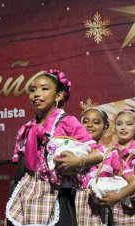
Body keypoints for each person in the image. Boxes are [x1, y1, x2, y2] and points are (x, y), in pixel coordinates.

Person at [6, 69, 103, 226]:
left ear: (58, 95)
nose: (37, 94)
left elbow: (98, 155)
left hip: (58, 194)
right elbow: (22, 170)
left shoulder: (67, 121)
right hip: (26, 192)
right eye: (33, 90)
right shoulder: (27, 128)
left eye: (44, 89)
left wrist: (78, 161)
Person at [77, 107, 135, 225]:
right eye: (85, 121)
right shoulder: (73, 150)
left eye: (96, 122)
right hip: (73, 204)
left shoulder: (111, 154)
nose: (89, 125)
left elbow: (134, 182)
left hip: (99, 209)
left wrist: (117, 197)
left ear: (105, 128)